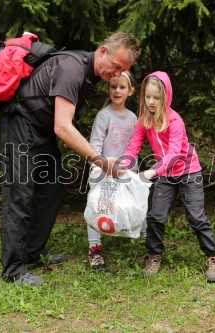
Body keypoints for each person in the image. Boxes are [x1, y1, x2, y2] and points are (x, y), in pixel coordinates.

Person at [0, 32, 140, 286]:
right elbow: (63, 127)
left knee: (50, 188)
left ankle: (32, 252)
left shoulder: (89, 74)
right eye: (117, 66)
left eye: (124, 71)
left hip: (39, 128)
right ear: (103, 51)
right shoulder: (73, 69)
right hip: (19, 122)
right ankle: (14, 269)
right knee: (19, 193)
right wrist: (100, 160)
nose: (117, 74)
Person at [122, 71, 215, 282]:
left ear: (165, 97)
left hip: (188, 172)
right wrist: (123, 164)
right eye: (147, 97)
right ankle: (154, 255)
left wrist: (151, 172)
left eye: (156, 98)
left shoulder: (175, 121)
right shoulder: (144, 121)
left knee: (196, 216)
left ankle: (213, 257)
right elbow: (133, 147)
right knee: (156, 216)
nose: (151, 102)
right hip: (165, 175)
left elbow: (175, 154)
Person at [86, 70, 139, 271]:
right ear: (108, 89)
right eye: (113, 86)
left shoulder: (133, 117)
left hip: (125, 172)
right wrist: (100, 168)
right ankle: (95, 247)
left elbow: (133, 146)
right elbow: (94, 146)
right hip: (103, 171)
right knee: (97, 207)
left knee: (126, 204)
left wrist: (132, 169)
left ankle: (139, 236)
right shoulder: (103, 116)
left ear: (130, 91)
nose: (117, 91)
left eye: (122, 87)